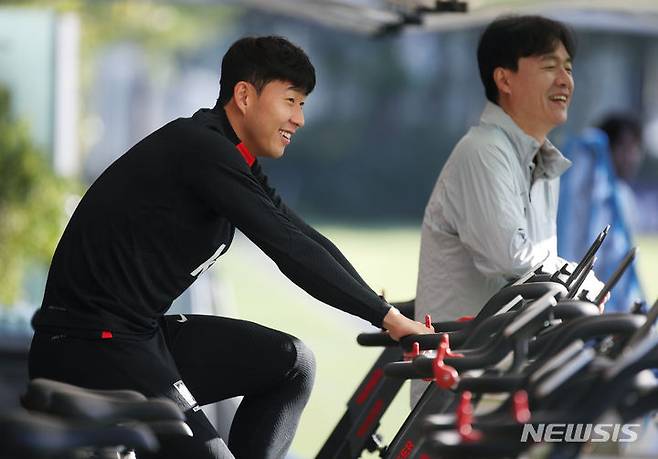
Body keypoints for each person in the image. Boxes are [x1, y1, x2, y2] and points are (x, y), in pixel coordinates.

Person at [28, 36, 431, 459]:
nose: (300, 119)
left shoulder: (232, 157)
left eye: (303, 105)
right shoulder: (201, 149)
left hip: (138, 333)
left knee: (292, 363)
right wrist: (386, 318)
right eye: (291, 101)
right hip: (88, 345)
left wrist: (383, 311)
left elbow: (302, 235)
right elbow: (286, 247)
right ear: (244, 95)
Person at [413, 15, 604, 402]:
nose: (565, 80)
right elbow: (512, 258)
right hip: (465, 383)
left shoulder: (544, 162)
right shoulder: (484, 151)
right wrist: (582, 281)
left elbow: (538, 265)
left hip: (506, 372)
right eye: (550, 66)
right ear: (505, 80)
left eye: (568, 68)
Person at [557, 114, 645, 313]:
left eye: (636, 149)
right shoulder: (584, 193)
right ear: (608, 151)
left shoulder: (622, 198)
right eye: (625, 148)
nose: (632, 157)